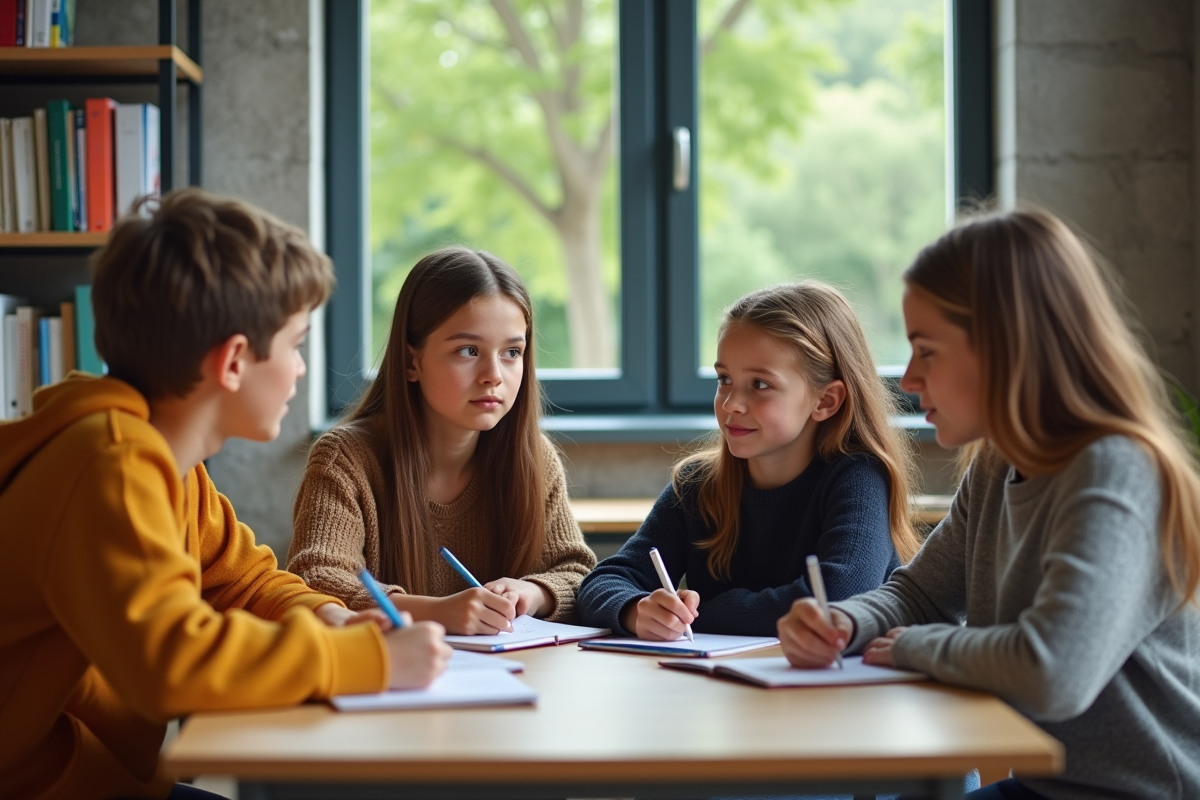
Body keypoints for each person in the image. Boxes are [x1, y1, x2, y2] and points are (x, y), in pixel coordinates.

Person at [0, 189, 450, 800]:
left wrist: (331, 616)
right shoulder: (112, 465)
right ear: (234, 361)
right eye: (294, 344)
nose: (300, 369)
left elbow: (241, 582)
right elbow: (173, 663)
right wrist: (370, 662)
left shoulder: (163, 459)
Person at [778, 209, 1200, 800]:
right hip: (1046, 788)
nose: (911, 378)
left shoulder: (1115, 471)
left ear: (1008, 347)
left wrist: (913, 648)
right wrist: (847, 622)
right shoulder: (1000, 461)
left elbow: (1053, 673)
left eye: (927, 350)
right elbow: (921, 594)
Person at [577, 282, 920, 639]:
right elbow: (604, 581)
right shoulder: (697, 485)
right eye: (725, 379)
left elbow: (834, 601)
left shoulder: (858, 478)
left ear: (826, 401)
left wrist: (698, 616)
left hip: (845, 689)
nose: (730, 404)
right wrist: (636, 609)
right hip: (727, 687)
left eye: (759, 384)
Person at [288, 247, 595, 634]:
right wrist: (437, 612)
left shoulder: (534, 458)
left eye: (512, 352)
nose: (493, 375)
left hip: (510, 680)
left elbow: (578, 573)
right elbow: (315, 580)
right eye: (468, 351)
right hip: (394, 681)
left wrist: (532, 592)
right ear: (411, 362)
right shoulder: (346, 458)